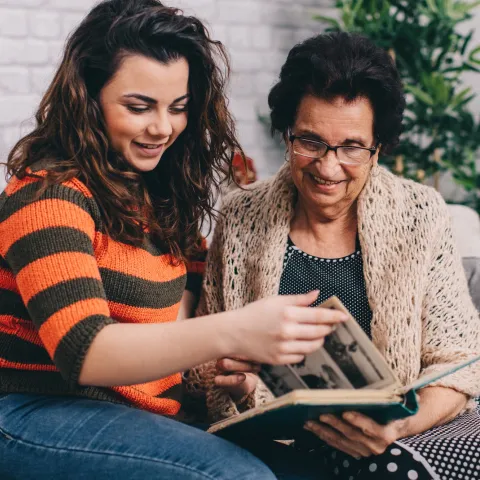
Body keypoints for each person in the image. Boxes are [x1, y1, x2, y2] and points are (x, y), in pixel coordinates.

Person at [0, 2, 346, 478]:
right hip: (33, 410)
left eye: (178, 108)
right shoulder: (47, 194)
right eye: (139, 106)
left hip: (143, 414)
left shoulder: (159, 197)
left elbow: (193, 316)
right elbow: (84, 351)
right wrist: (236, 329)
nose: (162, 127)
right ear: (88, 97)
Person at [188, 32, 480, 479]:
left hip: (394, 445)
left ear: (377, 147)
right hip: (275, 444)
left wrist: (402, 425)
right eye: (310, 141)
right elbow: (205, 362)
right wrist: (244, 388)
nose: (327, 167)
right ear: (287, 134)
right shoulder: (241, 216)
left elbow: (458, 365)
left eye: (351, 148)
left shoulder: (422, 215)